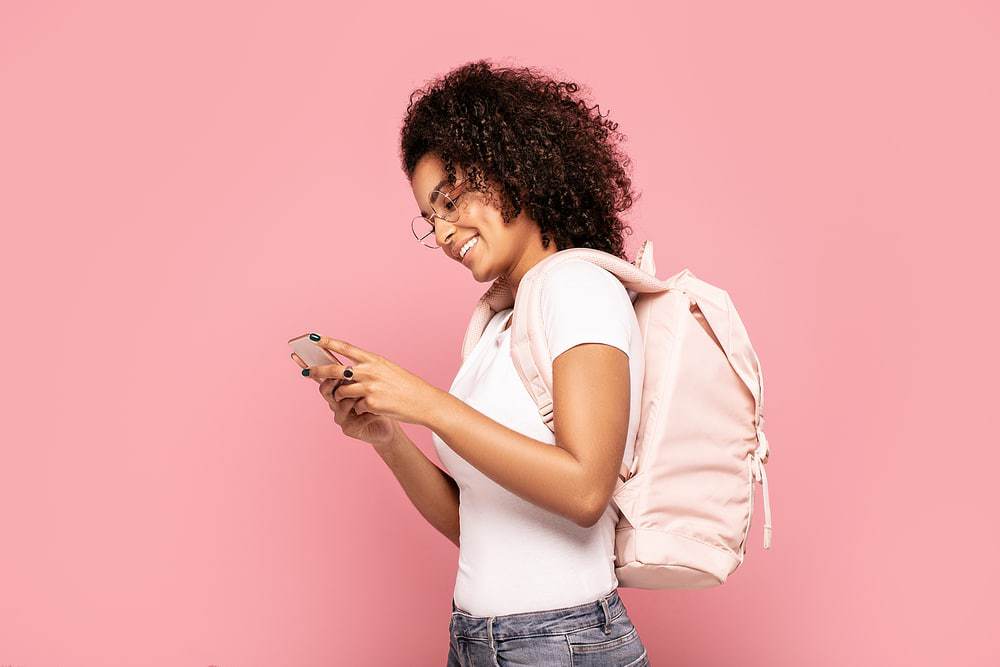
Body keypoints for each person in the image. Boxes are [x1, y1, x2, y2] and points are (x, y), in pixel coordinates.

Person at [293, 59, 649, 666]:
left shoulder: (578, 289)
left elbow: (587, 488)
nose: (441, 231)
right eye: (429, 217)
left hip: (559, 645)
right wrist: (389, 435)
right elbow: (476, 527)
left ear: (514, 168)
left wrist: (430, 404)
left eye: (450, 199)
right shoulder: (499, 325)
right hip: (481, 641)